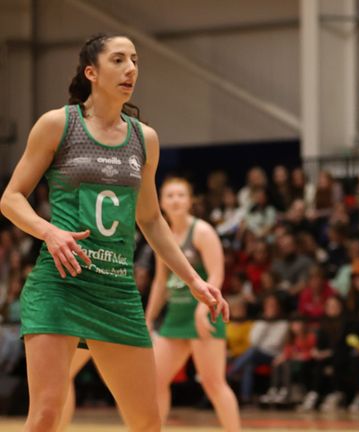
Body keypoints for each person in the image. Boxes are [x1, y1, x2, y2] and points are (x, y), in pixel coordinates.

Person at [0, 33, 227, 431]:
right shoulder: (57, 124)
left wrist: (193, 280)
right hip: (61, 285)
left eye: (135, 60)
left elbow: (152, 220)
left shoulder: (145, 138)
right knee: (45, 417)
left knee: (146, 423)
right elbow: (11, 198)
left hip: (117, 291)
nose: (131, 69)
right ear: (91, 72)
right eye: (119, 60)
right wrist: (49, 232)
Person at [144, 177, 240, 431]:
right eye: (170, 195)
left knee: (213, 383)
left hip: (204, 313)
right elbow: (160, 282)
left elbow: (216, 274)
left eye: (180, 195)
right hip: (175, 318)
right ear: (161, 202)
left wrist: (202, 307)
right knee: (155, 381)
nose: (175, 200)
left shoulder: (202, 231)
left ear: (189, 201)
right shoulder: (161, 233)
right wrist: (148, 317)